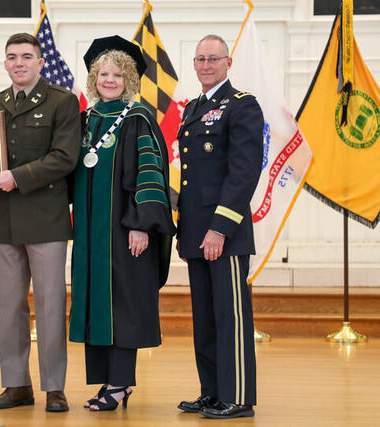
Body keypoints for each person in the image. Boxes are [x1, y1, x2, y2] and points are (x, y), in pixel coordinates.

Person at [69, 35, 176, 412]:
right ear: (94, 79)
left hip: (123, 231)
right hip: (89, 234)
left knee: (123, 306)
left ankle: (120, 384)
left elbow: (150, 175)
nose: (109, 80)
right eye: (103, 73)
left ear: (129, 78)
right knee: (97, 304)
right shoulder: (85, 119)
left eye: (117, 74)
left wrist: (141, 225)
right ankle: (107, 382)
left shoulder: (137, 119)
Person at [0, 33, 80, 412]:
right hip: (4, 219)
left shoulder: (62, 102)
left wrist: (16, 177)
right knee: (10, 307)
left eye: (26, 56)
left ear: (40, 62)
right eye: (11, 57)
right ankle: (16, 384)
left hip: (46, 218)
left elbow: (65, 157)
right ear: (5, 63)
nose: (18, 63)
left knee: (51, 306)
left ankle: (55, 387)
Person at [176, 34, 263, 419]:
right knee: (206, 319)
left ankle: (238, 396)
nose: (207, 65)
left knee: (230, 318)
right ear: (194, 64)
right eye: (200, 59)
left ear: (228, 62)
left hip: (223, 234)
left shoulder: (243, 106)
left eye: (214, 58)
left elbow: (244, 173)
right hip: (196, 231)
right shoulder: (194, 108)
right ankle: (211, 391)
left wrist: (220, 228)